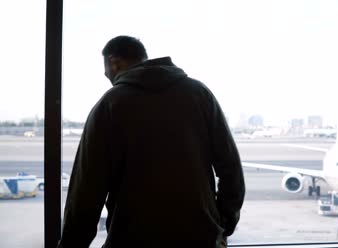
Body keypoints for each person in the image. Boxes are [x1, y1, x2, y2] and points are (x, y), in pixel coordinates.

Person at [58, 35, 245, 247]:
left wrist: (71, 244)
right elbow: (231, 167)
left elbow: (86, 189)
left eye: (105, 69)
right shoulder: (199, 94)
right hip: (201, 237)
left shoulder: (110, 104)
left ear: (114, 61)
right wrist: (223, 222)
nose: (106, 75)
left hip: (133, 238)